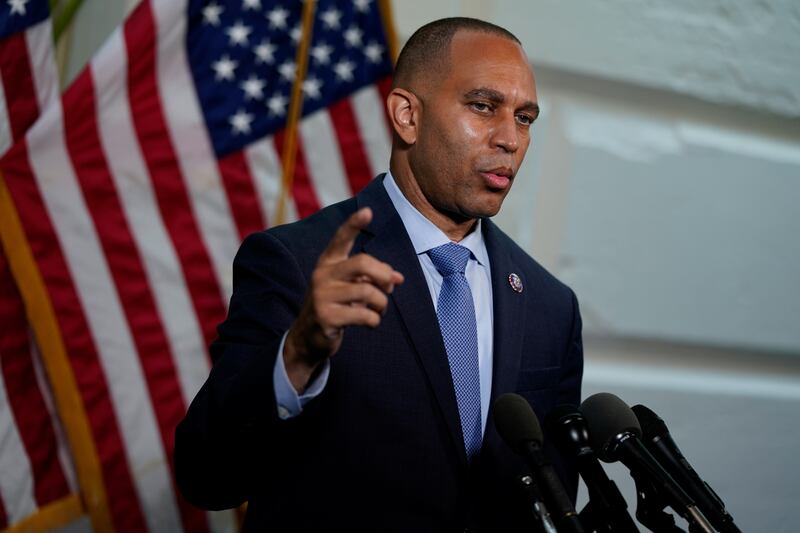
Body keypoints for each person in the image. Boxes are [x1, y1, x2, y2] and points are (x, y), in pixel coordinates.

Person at [175, 17, 583, 532]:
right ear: (407, 115)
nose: (510, 139)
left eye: (525, 118)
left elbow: (552, 504)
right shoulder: (296, 263)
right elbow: (206, 475)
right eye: (483, 107)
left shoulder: (551, 306)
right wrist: (297, 355)